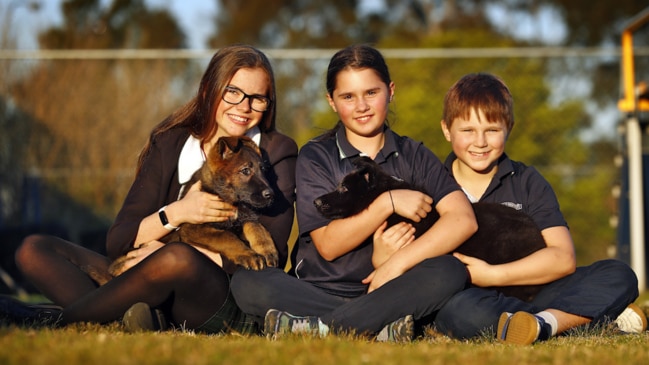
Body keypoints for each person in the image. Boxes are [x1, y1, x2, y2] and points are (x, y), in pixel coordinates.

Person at [2, 44, 297, 334]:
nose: (244, 107)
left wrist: (166, 255)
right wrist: (176, 213)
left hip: (213, 292)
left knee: (176, 259)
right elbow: (119, 241)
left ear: (268, 104)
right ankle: (133, 317)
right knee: (33, 250)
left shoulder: (274, 151)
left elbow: (271, 258)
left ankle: (56, 321)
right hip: (143, 271)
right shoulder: (170, 143)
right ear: (209, 89)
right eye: (233, 92)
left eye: (258, 98)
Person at [229, 44, 478, 342]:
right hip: (317, 290)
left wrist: (396, 265)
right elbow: (329, 245)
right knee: (248, 281)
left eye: (371, 93)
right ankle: (376, 324)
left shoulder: (415, 155)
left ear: (390, 91)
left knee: (449, 270)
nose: (361, 106)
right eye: (348, 96)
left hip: (391, 288)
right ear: (332, 102)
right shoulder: (315, 156)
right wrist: (387, 203)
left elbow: (463, 220)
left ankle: (321, 327)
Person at [433, 72, 645, 345]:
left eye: (492, 130)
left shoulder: (528, 181)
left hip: (537, 291)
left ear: (509, 127)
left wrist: (493, 275)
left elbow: (563, 258)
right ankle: (579, 318)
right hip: (471, 298)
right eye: (468, 130)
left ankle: (541, 323)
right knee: (460, 314)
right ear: (446, 129)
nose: (480, 141)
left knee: (619, 275)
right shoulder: (432, 182)